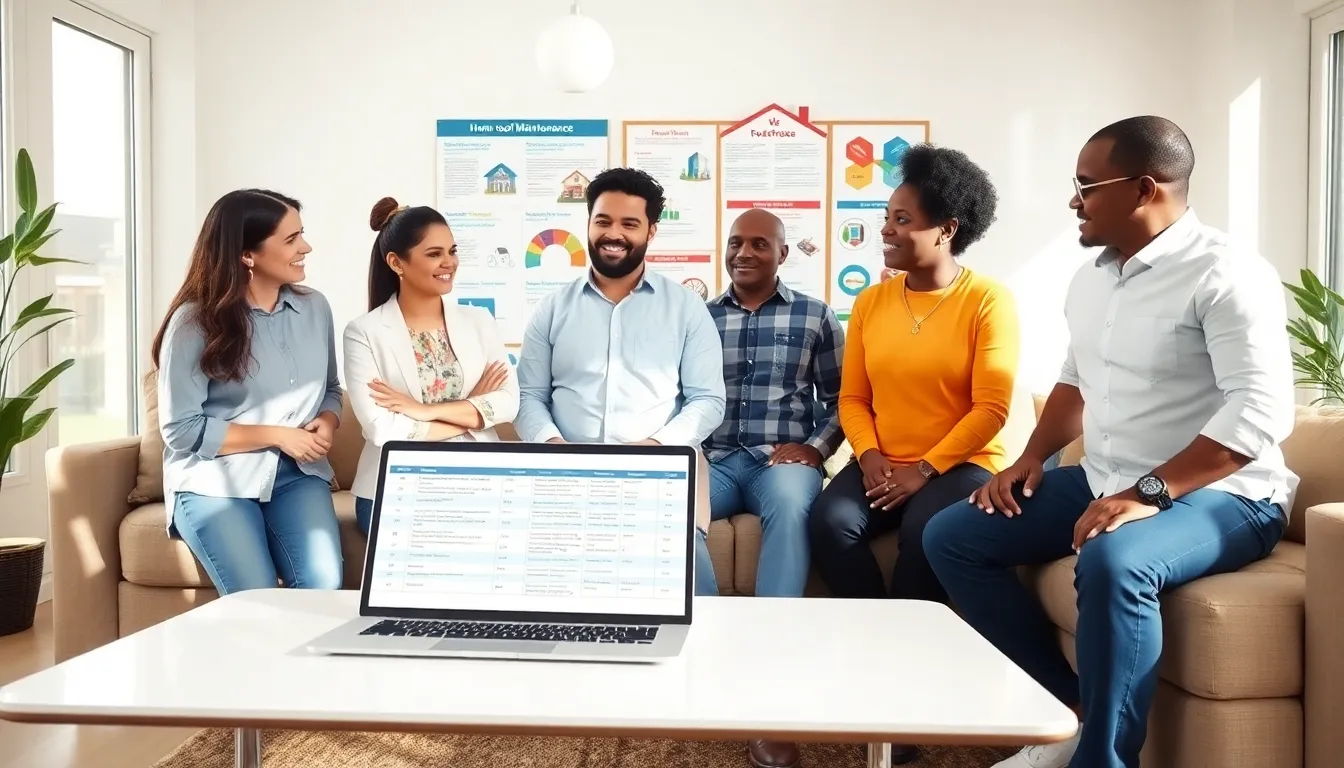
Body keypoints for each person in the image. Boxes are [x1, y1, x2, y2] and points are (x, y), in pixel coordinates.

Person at [923, 116, 1297, 768]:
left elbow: (1259, 411)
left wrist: (1148, 493)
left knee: (1115, 559)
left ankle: (1100, 759)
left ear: (1145, 188)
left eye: (1087, 185)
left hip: (1227, 493)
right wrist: (1031, 459)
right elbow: (1075, 383)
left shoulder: (1228, 273)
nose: (1074, 200)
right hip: (1107, 478)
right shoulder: (1093, 278)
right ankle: (1065, 710)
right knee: (953, 535)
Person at [514, 167, 726, 597]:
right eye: (603, 221)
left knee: (696, 598)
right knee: (545, 597)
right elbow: (528, 396)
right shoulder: (552, 309)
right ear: (589, 224)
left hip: (660, 477)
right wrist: (554, 448)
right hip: (565, 478)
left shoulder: (686, 308)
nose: (614, 234)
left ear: (651, 231)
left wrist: (655, 450)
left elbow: (707, 400)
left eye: (630, 224)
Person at [705, 208, 844, 768]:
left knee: (791, 504)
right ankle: (711, 650)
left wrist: (817, 447)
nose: (744, 252)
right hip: (712, 458)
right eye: (736, 242)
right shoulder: (698, 318)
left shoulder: (815, 315)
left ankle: (770, 678)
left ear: (783, 254)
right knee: (672, 507)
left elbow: (841, 401)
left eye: (759, 244)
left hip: (778, 460)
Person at [153, 189, 345, 595]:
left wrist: (327, 422)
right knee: (255, 596)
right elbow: (181, 430)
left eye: (301, 235)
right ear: (247, 255)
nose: (305, 247)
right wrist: (278, 435)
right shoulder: (193, 323)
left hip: (298, 477)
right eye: (291, 240)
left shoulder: (315, 309)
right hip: (213, 481)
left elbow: (329, 388)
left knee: (322, 586)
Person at [343, 197, 519, 535]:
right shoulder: (363, 332)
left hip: (478, 474)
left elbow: (508, 403)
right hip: (395, 483)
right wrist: (470, 410)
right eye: (434, 254)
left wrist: (418, 410)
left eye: (452, 251)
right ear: (396, 263)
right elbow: (383, 430)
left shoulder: (479, 321)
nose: (449, 262)